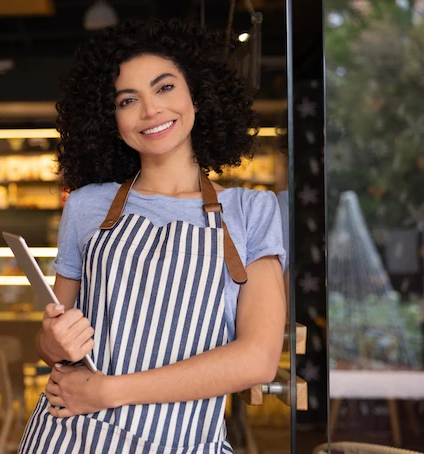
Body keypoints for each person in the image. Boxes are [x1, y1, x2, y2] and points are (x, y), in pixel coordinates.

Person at [19, 18, 287, 453]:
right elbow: (52, 340)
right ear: (111, 119)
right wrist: (51, 341)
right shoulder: (88, 205)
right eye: (129, 99)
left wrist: (109, 391)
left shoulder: (251, 210)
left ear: (196, 94)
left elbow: (257, 360)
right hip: (71, 437)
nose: (151, 111)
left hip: (182, 441)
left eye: (164, 88)